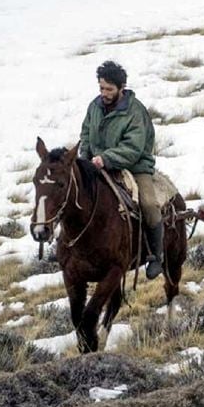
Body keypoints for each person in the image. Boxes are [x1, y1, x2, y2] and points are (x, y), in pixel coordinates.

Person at [78, 61, 165, 279]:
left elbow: (133, 148)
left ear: (121, 88)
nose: (104, 93)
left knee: (149, 204)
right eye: (101, 88)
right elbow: (86, 135)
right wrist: (85, 160)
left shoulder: (136, 112)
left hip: (135, 167)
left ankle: (156, 254)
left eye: (109, 89)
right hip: (97, 166)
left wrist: (106, 158)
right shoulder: (94, 107)